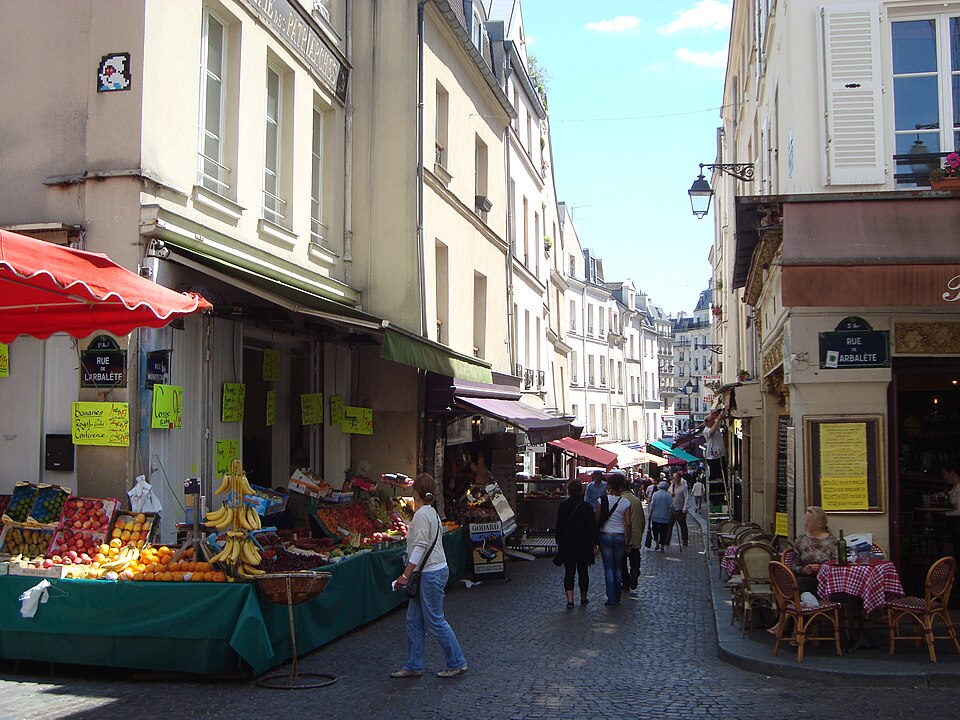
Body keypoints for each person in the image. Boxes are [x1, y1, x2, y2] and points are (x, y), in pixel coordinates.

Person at [392, 473, 467, 679]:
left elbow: (420, 547)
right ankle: (414, 664)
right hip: (430, 571)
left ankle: (457, 662)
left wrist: (405, 575)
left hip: (429, 573)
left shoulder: (421, 515)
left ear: (415, 492)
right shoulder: (431, 513)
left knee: (434, 620)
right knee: (413, 619)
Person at [554, 479, 598, 608]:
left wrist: (559, 540)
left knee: (569, 572)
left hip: (568, 544)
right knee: (583, 571)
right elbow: (592, 527)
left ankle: (570, 600)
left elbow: (559, 525)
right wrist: (596, 542)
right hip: (584, 544)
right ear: (581, 491)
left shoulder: (563, 506)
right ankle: (583, 597)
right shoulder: (587, 507)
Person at [595, 474, 632, 606]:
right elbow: (627, 523)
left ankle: (611, 598)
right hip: (620, 536)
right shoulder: (626, 502)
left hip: (605, 535)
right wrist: (629, 541)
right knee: (618, 568)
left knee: (609, 568)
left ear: (609, 486)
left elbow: (597, 519)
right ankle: (617, 596)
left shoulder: (602, 500)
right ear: (621, 486)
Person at [790, 506, 838, 595]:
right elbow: (794, 566)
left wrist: (821, 567)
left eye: (809, 520)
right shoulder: (801, 540)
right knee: (803, 583)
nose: (805, 523)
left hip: (825, 579)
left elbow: (837, 564)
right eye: (805, 520)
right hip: (806, 578)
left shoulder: (831, 541)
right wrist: (804, 569)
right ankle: (809, 602)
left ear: (818, 523)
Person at [620, 480, 646, 596]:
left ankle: (625, 582)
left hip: (622, 534)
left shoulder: (620, 500)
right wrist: (640, 531)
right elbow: (642, 519)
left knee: (622, 561)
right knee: (635, 557)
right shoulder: (636, 500)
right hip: (635, 534)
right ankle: (635, 571)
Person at [703, 409, 727, 509]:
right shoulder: (707, 430)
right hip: (713, 456)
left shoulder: (714, 426)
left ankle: (720, 496)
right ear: (708, 422)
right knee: (715, 476)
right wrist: (718, 420)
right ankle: (715, 497)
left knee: (721, 476)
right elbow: (712, 432)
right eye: (712, 420)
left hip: (718, 455)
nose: (714, 421)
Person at [649, 481, 674, 552]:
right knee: (664, 532)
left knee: (655, 530)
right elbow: (672, 506)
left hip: (655, 516)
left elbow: (653, 505)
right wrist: (673, 511)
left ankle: (657, 544)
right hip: (665, 517)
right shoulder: (668, 495)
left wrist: (650, 513)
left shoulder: (655, 494)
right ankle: (662, 546)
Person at [669, 471, 691, 547]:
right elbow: (668, 494)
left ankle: (684, 541)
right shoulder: (671, 486)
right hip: (672, 509)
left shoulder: (683, 487)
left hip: (680, 509)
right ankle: (666, 541)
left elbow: (687, 497)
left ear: (679, 478)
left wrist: (685, 507)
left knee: (682, 525)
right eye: (673, 478)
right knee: (669, 525)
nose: (674, 479)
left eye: (675, 477)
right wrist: (670, 494)